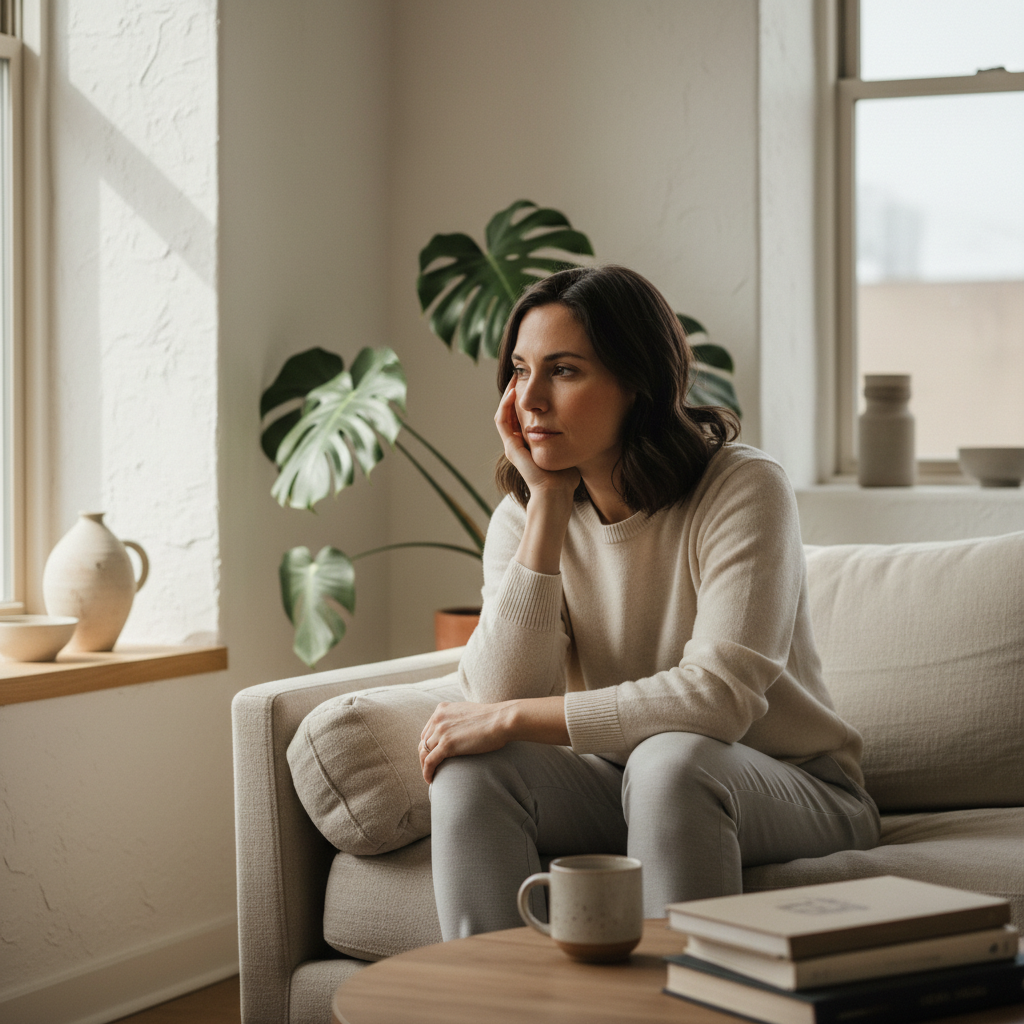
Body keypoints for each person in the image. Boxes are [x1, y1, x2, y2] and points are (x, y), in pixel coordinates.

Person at [418, 265, 879, 941]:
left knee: (670, 762)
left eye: (564, 371)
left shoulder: (742, 487)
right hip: (622, 777)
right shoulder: (523, 517)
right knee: (469, 773)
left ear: (637, 383)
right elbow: (495, 695)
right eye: (520, 370)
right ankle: (500, 994)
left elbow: (717, 700)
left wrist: (514, 717)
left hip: (792, 784)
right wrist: (546, 505)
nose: (530, 399)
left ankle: (678, 997)